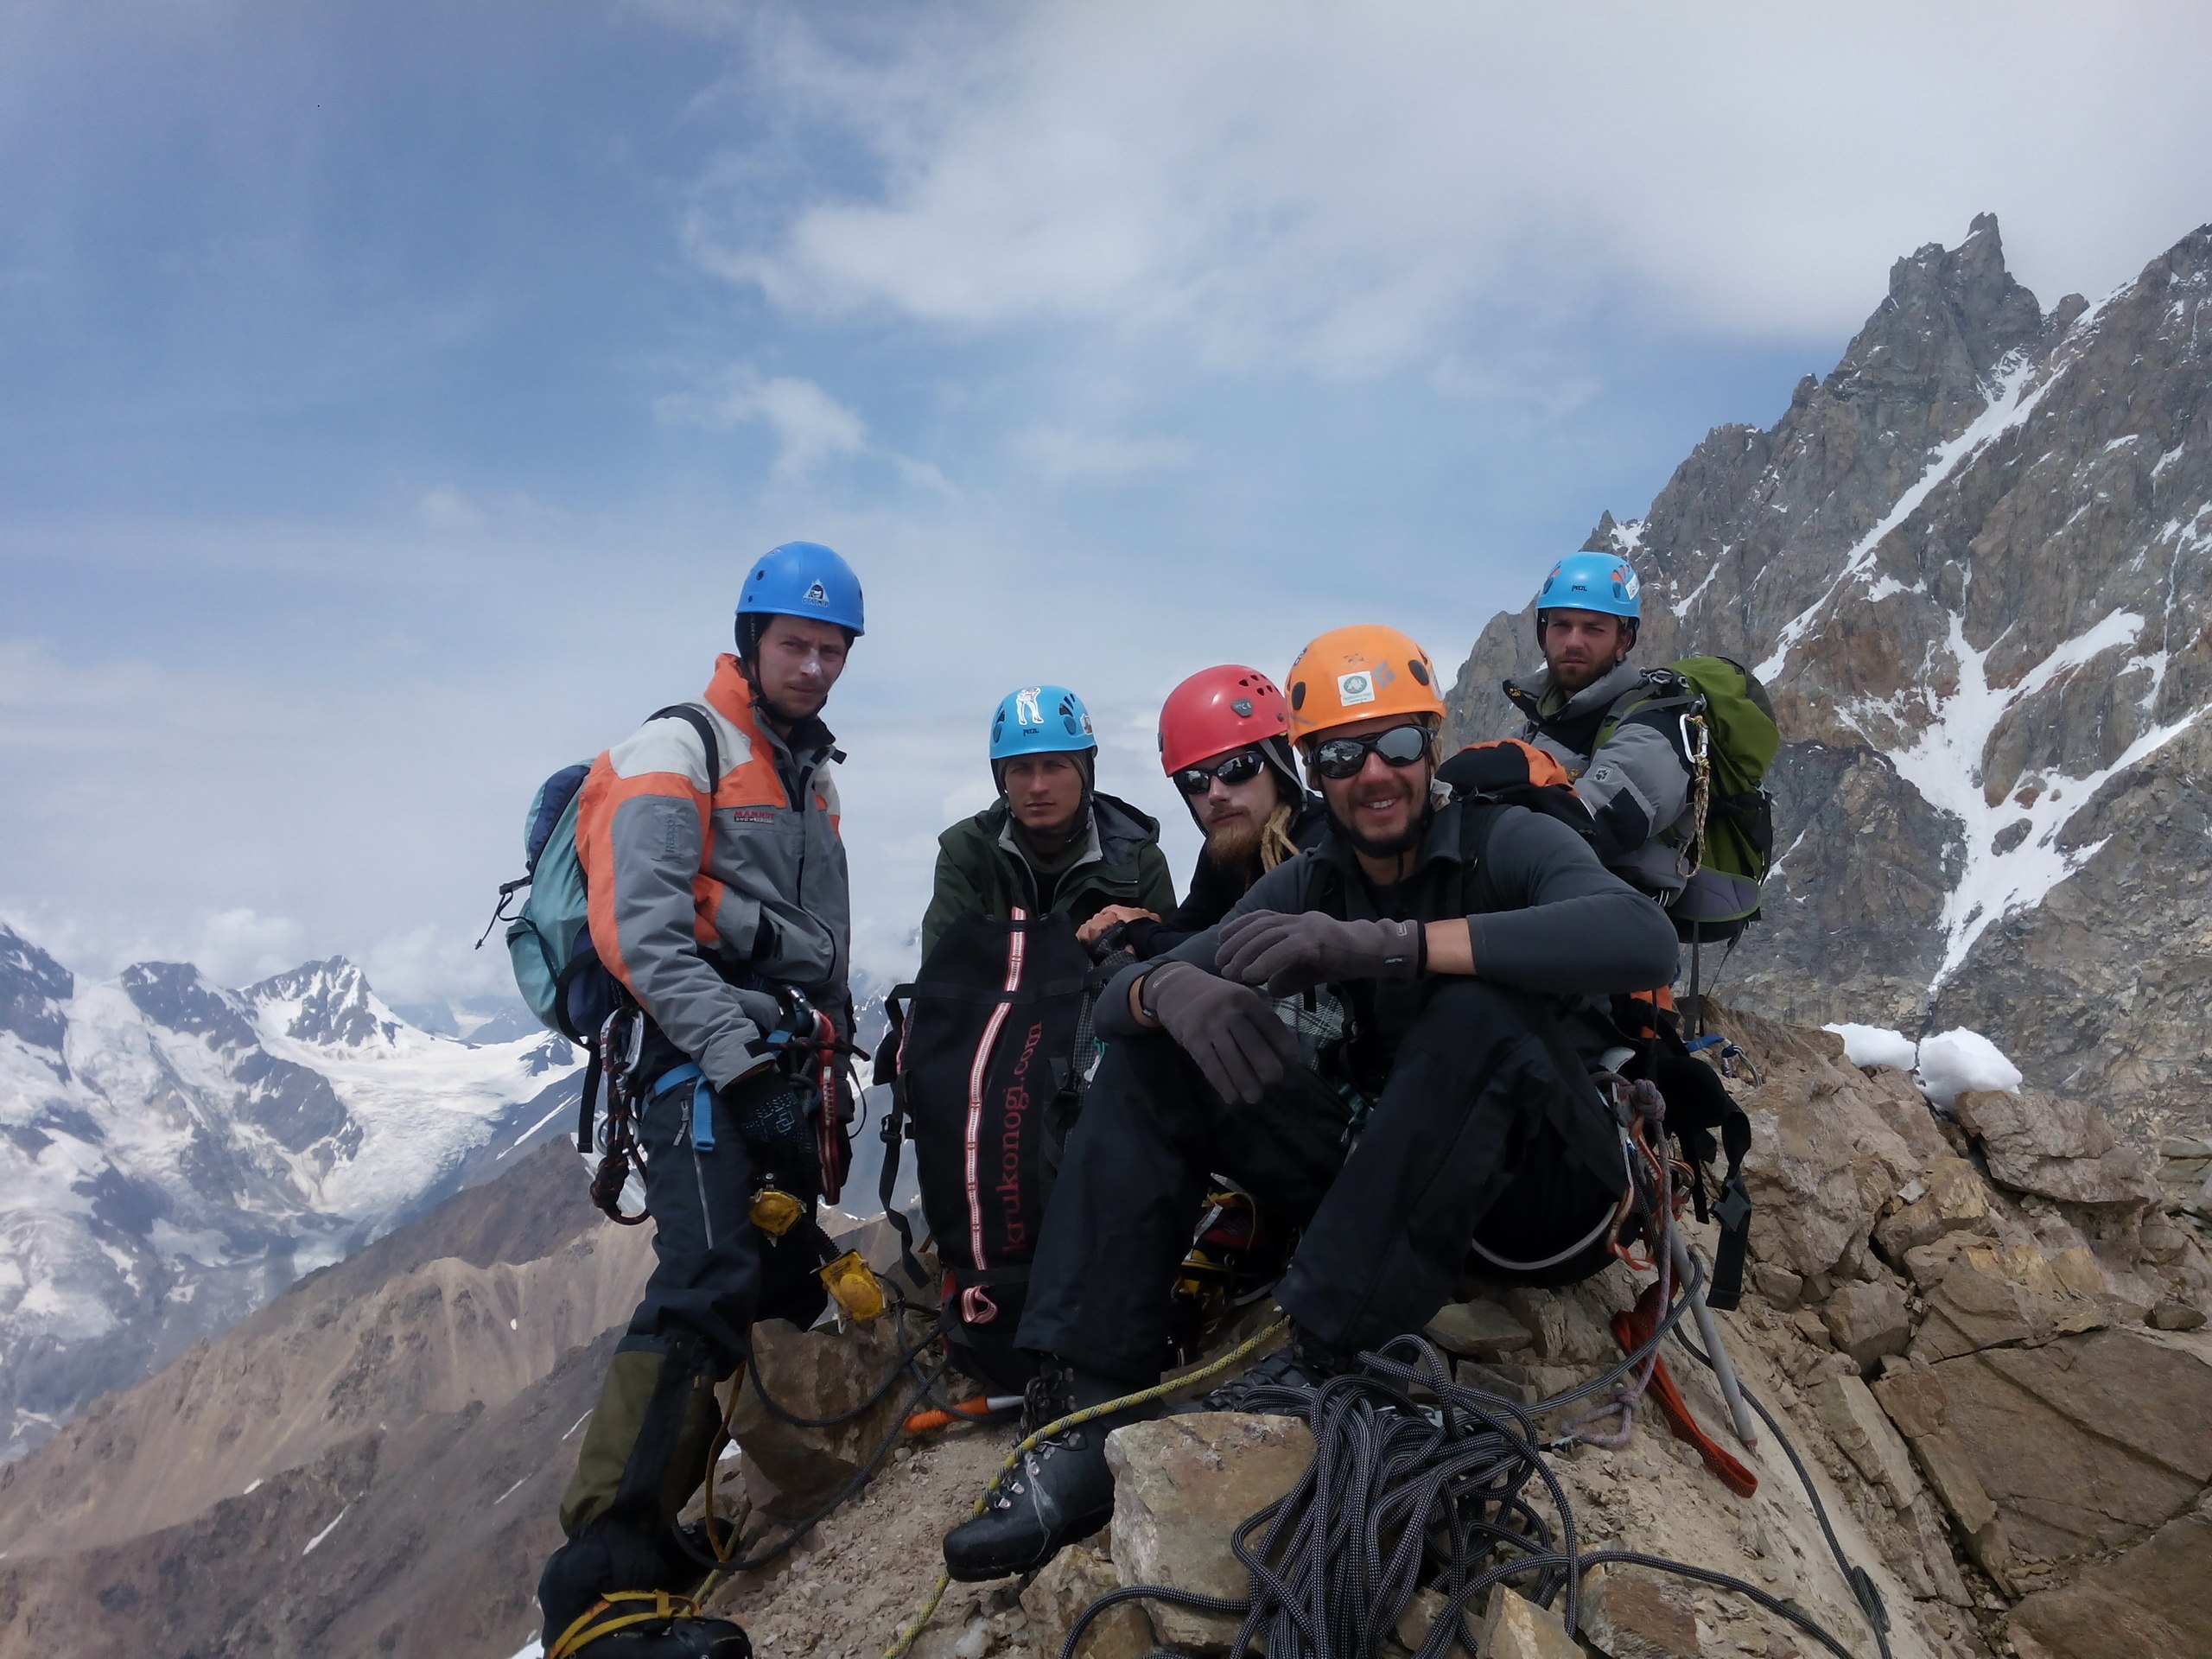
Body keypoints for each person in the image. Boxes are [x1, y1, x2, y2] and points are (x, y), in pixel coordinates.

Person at [940, 624, 1680, 1582]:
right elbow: (1124, 1003)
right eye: (1341, 752)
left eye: (1398, 744)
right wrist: (1165, 990)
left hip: (1545, 1195)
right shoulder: (1307, 881)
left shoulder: (1508, 843)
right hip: (1392, 1172)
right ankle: (1094, 1412)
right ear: (1313, 768)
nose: (1374, 773)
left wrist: (1387, 949)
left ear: (1432, 745)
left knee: (1477, 1012)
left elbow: (1637, 939)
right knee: (1154, 1062)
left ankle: (1327, 1350)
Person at [537, 542, 864, 1659]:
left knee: (769, 1270)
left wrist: (824, 1051)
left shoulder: (805, 766)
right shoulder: (680, 746)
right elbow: (642, 932)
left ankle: (675, 1522)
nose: (815, 666)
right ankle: (597, 1586)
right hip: (694, 1065)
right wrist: (744, 1066)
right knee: (705, 1282)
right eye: (796, 645)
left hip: (767, 1059)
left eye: (833, 650)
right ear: (750, 640)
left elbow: (813, 941)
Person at [1490, 552, 1696, 900]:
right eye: (1561, 625)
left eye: (1593, 628)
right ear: (1544, 633)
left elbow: (1597, 823)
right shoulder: (1543, 719)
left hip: (1616, 934)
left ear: (1623, 641)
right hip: (1545, 911)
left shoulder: (1654, 725)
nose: (1573, 641)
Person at [919, 684, 1177, 957]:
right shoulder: (967, 854)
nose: (1038, 786)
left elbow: (1169, 976)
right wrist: (1076, 951)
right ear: (1002, 779)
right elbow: (943, 978)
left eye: (1054, 766)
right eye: (1021, 769)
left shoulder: (1136, 859)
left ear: (1084, 772)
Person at [1115, 664, 1326, 961]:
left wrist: (1138, 930)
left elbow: (1243, 948)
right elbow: (1187, 933)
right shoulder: (1225, 850)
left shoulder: (1323, 843)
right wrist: (1116, 928)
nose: (1215, 793)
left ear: (1279, 769)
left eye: (1238, 768)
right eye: (1195, 781)